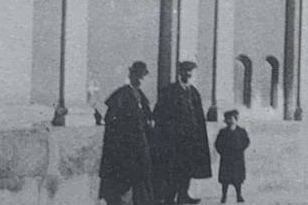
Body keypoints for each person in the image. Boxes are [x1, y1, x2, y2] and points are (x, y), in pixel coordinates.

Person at [153, 59, 212, 204]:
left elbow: (198, 116)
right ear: (180, 72)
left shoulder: (193, 92)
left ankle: (183, 194)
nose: (188, 73)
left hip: (190, 140)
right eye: (185, 70)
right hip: (174, 140)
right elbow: (160, 114)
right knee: (173, 169)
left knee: (187, 168)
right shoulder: (170, 91)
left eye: (190, 71)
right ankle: (169, 197)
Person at [98, 61, 155, 205]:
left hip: (141, 146)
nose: (140, 79)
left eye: (143, 76)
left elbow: (147, 117)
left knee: (141, 182)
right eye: (138, 75)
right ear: (131, 75)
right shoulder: (121, 95)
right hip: (126, 148)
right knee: (125, 184)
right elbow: (112, 122)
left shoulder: (141, 96)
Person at [214, 109, 250, 204]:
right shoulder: (222, 132)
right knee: (225, 180)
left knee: (238, 179)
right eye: (227, 119)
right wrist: (222, 152)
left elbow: (246, 141)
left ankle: (239, 195)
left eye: (232, 118)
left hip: (237, 159)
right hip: (226, 159)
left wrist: (241, 148)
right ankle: (224, 196)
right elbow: (217, 144)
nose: (230, 120)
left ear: (236, 119)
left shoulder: (241, 131)